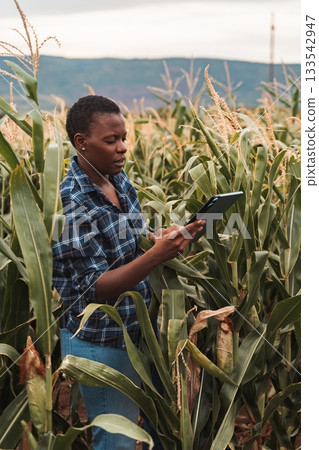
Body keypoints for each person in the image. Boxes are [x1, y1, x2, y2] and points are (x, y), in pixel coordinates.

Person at [52, 95, 204, 450]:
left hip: (138, 333)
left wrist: (158, 239)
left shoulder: (118, 182)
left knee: (160, 429)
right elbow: (96, 289)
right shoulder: (71, 202)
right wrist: (156, 256)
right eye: (111, 140)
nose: (122, 148)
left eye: (124, 138)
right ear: (81, 142)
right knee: (117, 441)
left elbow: (130, 240)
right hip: (99, 339)